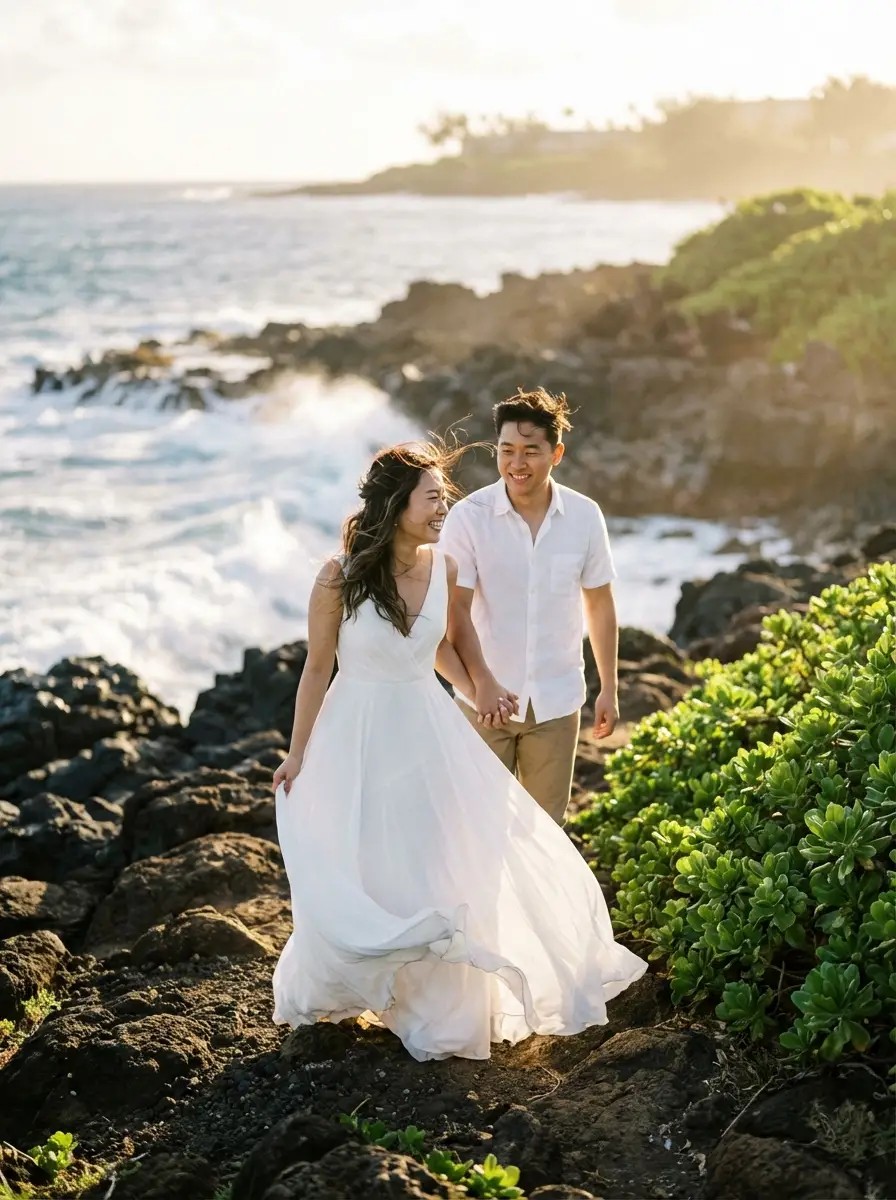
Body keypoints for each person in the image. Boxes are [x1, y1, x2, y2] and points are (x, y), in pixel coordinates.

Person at [271, 441, 645, 1063]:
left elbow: (456, 640)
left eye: (444, 498)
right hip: (356, 728)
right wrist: (297, 752)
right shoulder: (339, 576)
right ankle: (358, 985)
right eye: (432, 498)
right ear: (396, 504)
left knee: (431, 856)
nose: (444, 508)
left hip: (426, 728)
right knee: (361, 855)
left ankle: (432, 1003)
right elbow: (316, 668)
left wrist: (481, 690)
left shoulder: (443, 567)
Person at [440, 388, 618, 825]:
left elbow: (599, 604)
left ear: (556, 453)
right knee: (479, 831)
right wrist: (481, 683)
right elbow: (453, 611)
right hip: (482, 703)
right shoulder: (468, 516)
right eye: (507, 451)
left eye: (531, 451)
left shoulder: (584, 516)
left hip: (557, 703)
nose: (517, 464)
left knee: (545, 835)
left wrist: (609, 687)